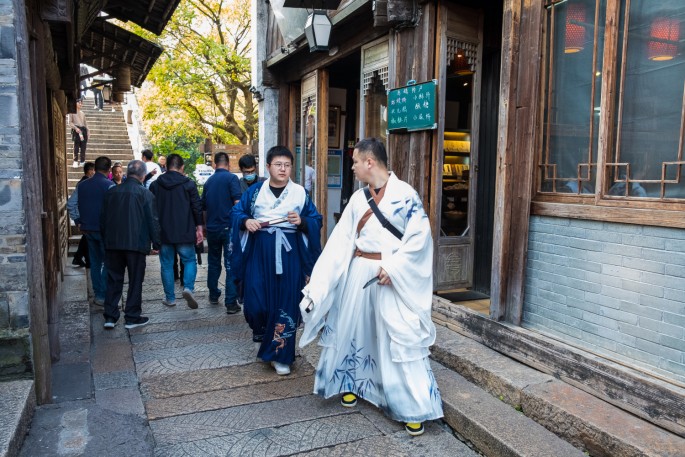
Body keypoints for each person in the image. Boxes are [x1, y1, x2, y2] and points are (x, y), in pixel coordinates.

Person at [298, 138, 443, 436]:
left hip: (391, 274)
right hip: (359, 272)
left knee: (397, 337)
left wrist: (394, 267)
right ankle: (350, 383)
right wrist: (320, 282)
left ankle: (411, 407)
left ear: (370, 163)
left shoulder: (406, 196)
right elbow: (340, 244)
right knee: (353, 329)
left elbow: (420, 240)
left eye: (355, 162)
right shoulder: (357, 199)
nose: (351, 168)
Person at [231, 146, 322, 375]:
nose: (283, 169)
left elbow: (315, 219)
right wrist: (245, 222)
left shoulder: (300, 192)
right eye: (278, 164)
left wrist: (301, 221)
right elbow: (237, 213)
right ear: (268, 166)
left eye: (287, 165)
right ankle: (261, 333)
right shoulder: (254, 192)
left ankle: (281, 355)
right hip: (259, 250)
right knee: (256, 302)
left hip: (289, 253)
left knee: (286, 303)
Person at [101, 160, 161, 330]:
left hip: (113, 243)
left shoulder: (111, 192)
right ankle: (132, 316)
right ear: (143, 175)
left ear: (127, 172)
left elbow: (103, 219)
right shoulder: (145, 194)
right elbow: (153, 221)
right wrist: (157, 242)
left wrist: (106, 240)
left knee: (113, 279)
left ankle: (110, 316)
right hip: (136, 243)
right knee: (135, 281)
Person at [150, 153, 203, 309]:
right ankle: (188, 288)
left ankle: (170, 298)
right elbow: (197, 207)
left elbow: (151, 211)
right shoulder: (188, 184)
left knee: (166, 264)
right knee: (189, 260)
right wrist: (199, 227)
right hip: (185, 231)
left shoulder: (155, 185)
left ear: (165, 167)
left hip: (164, 233)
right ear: (182, 167)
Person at [201, 152, 242, 314]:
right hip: (229, 227)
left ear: (215, 164)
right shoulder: (232, 179)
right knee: (230, 264)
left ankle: (213, 294)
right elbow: (237, 203)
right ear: (229, 164)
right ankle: (231, 302)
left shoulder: (208, 182)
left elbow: (203, 207)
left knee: (213, 262)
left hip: (212, 228)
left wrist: (204, 226)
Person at [76, 156, 114, 306]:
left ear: (95, 168)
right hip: (104, 230)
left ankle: (98, 294)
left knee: (95, 262)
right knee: (108, 262)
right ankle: (104, 293)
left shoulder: (82, 185)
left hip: (88, 229)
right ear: (109, 169)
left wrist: (78, 221)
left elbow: (71, 205)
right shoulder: (109, 186)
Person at [66, 162, 95, 267]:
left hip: (83, 215)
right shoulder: (84, 183)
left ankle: (78, 258)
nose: (94, 173)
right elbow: (72, 203)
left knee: (86, 238)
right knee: (87, 239)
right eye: (94, 170)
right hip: (83, 215)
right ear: (90, 171)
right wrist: (77, 219)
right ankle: (85, 260)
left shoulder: (84, 182)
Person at [68, 99, 88, 167]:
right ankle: (75, 161)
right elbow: (69, 122)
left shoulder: (83, 113)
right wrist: (75, 128)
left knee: (83, 146)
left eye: (81, 103)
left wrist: (88, 131)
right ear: (75, 103)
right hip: (76, 130)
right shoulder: (71, 112)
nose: (80, 104)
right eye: (79, 102)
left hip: (83, 130)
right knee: (76, 146)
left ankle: (82, 161)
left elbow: (85, 124)